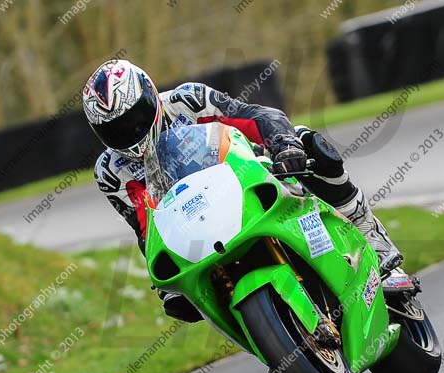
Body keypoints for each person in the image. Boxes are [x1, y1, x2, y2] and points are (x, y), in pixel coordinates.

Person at [82, 59, 402, 322]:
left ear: (150, 96)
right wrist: (168, 286)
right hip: (197, 228)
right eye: (116, 130)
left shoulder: (187, 101)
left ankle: (373, 239)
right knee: (188, 298)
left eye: (137, 118)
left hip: (249, 180)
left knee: (308, 142)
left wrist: (284, 145)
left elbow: (256, 116)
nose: (132, 132)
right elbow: (145, 228)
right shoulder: (111, 172)